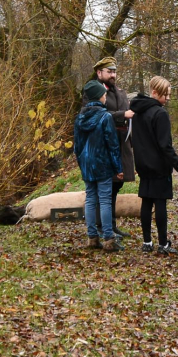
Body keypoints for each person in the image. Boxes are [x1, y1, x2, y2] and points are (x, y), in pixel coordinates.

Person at [130, 76, 178, 255]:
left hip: (143, 165)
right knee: (160, 203)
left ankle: (147, 241)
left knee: (146, 202)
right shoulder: (160, 113)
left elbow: (135, 140)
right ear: (155, 93)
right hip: (158, 167)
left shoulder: (138, 111)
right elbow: (165, 145)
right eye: (165, 95)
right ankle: (163, 243)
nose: (168, 99)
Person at [73, 80, 124, 251]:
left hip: (87, 163)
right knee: (104, 200)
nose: (105, 96)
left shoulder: (79, 118)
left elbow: (77, 147)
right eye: (103, 94)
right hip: (102, 164)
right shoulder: (105, 117)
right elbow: (113, 145)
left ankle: (92, 237)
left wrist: (82, 164)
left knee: (90, 199)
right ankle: (109, 238)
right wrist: (118, 168)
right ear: (97, 96)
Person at [95, 57, 135, 237]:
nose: (113, 75)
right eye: (109, 71)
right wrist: (121, 114)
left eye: (114, 71)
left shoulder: (120, 91)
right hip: (105, 146)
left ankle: (111, 225)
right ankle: (102, 226)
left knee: (116, 186)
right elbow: (96, 114)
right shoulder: (94, 91)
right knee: (105, 188)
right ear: (99, 73)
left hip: (122, 144)